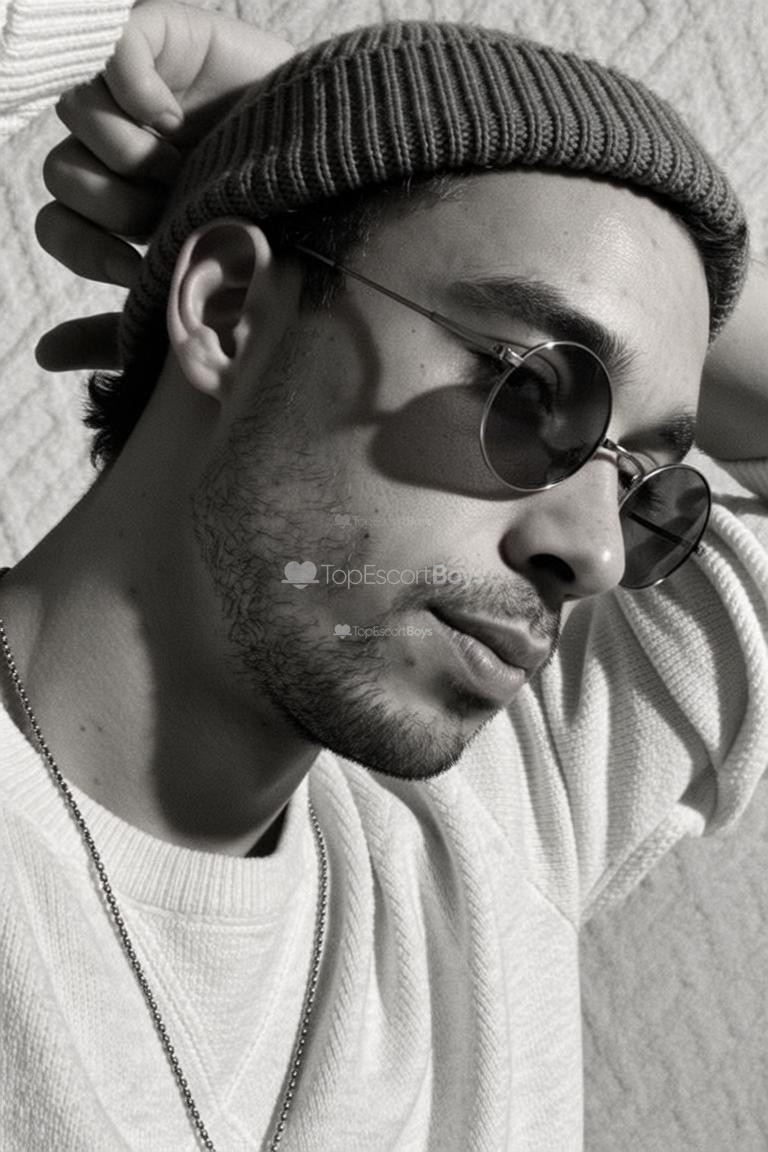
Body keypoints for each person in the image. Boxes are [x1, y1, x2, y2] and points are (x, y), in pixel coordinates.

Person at [0, 2, 766, 1149]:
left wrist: (356, 115)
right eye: (533, 392)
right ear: (230, 311)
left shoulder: (494, 822)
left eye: (643, 484)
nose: (598, 554)